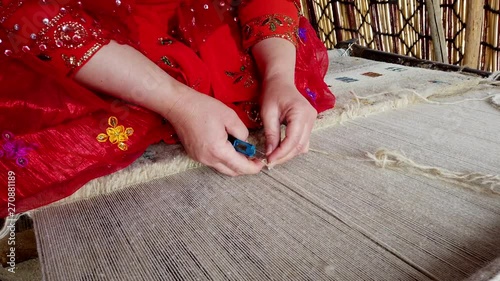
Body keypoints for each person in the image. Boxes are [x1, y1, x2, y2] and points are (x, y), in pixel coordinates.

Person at [0, 0, 335, 216]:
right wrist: (176, 102)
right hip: (90, 32)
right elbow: (22, 11)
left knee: (269, 74)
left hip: (206, 19)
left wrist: (279, 76)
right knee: (53, 139)